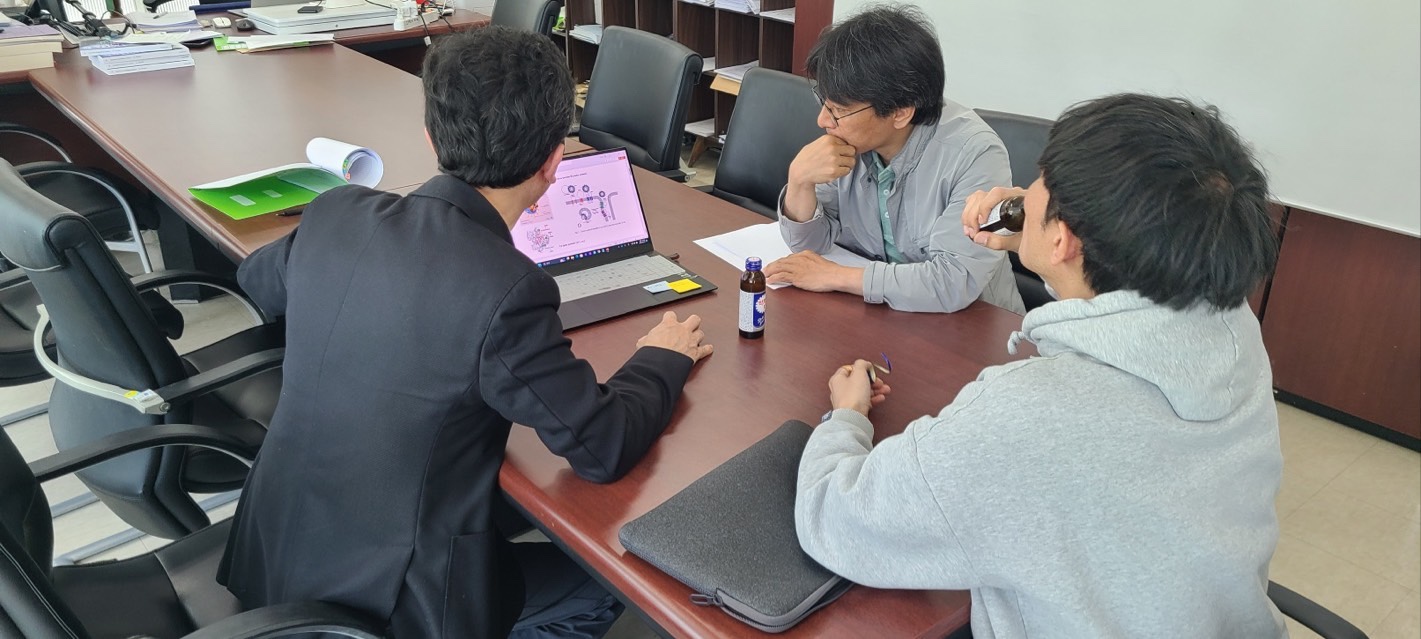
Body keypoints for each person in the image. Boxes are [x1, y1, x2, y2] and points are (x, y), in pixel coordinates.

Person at [217, 27, 713, 639]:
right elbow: (602, 447)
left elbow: (258, 281)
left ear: (431, 137)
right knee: (611, 580)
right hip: (389, 606)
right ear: (554, 162)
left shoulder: (336, 213)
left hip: (270, 551)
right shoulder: (507, 287)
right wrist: (662, 357)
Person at [794, 94, 1285, 638]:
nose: (1025, 194)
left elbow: (835, 520)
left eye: (1040, 182)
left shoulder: (1029, 412)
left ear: (1065, 239)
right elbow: (1117, 308)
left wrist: (846, 417)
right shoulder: (1233, 329)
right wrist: (1043, 242)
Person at [766, 5, 1025, 314]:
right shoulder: (849, 141)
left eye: (838, 110)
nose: (823, 120)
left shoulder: (975, 154)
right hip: (879, 313)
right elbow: (810, 246)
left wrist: (836, 276)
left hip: (970, 324)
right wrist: (799, 181)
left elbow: (953, 281)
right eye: (824, 102)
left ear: (901, 112)